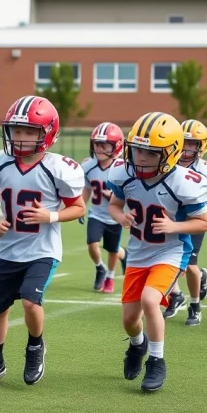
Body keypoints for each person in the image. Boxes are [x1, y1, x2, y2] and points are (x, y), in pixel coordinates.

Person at [0, 95, 85, 387]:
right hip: (10, 249)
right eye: (17, 130)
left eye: (30, 131)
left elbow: (79, 208)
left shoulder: (58, 167)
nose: (20, 138)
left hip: (42, 250)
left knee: (31, 302)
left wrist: (51, 216)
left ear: (47, 134)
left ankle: (35, 346)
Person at [107, 112, 207, 392]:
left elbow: (204, 222)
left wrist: (174, 225)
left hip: (170, 252)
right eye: (137, 149)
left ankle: (156, 360)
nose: (140, 157)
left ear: (171, 153)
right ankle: (138, 345)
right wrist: (120, 217)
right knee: (130, 320)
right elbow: (114, 205)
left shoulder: (184, 181)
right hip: (138, 254)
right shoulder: (124, 174)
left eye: (150, 153)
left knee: (151, 301)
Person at [172, 119, 207, 326]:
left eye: (191, 143)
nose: (185, 147)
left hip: (194, 222)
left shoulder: (206, 170)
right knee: (168, 262)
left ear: (201, 145)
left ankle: (195, 305)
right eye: (182, 142)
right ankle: (175, 296)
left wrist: (200, 213)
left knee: (189, 265)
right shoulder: (168, 162)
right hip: (171, 220)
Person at [81, 122, 128, 294]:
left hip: (114, 216)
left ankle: (110, 275)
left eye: (104, 145)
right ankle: (100, 268)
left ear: (116, 147)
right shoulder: (89, 166)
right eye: (97, 144)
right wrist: (81, 206)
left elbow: (129, 194)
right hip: (96, 213)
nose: (99, 149)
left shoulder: (122, 168)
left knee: (112, 249)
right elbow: (86, 188)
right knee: (92, 243)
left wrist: (113, 196)